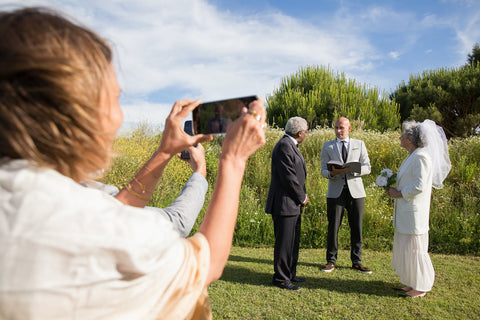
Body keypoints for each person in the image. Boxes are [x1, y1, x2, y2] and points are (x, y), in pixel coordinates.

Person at [0, 7, 266, 320]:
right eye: (114, 98)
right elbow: (206, 264)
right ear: (76, 110)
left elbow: (114, 211)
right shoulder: (85, 228)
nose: (119, 117)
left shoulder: (31, 193)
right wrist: (232, 161)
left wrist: (164, 152)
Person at [81, 144, 208, 237]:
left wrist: (163, 152)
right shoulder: (88, 197)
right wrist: (200, 170)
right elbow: (177, 223)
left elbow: (123, 204)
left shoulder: (77, 190)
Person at [386, 120, 450, 298]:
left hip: (414, 211)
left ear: (410, 139)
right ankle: (411, 281)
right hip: (406, 210)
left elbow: (420, 186)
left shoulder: (422, 156)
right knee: (407, 247)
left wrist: (400, 193)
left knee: (416, 248)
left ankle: (421, 286)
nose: (399, 137)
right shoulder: (412, 156)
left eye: (402, 135)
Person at [320, 117, 372, 273]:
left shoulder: (359, 144)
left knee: (356, 227)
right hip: (335, 192)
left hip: (356, 192)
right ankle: (331, 261)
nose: (338, 131)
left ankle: (356, 261)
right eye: (336, 127)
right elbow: (323, 169)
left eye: (341, 127)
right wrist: (331, 173)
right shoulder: (327, 146)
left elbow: (367, 167)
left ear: (349, 128)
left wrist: (352, 170)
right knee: (333, 227)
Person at [266, 117, 309, 290]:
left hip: (292, 203)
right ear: (300, 133)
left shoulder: (290, 145)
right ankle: (281, 278)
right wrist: (302, 197)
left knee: (292, 241)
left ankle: (290, 273)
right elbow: (289, 177)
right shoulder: (285, 146)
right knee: (284, 243)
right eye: (306, 131)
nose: (306, 134)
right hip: (285, 203)